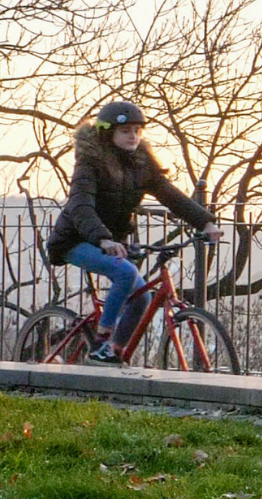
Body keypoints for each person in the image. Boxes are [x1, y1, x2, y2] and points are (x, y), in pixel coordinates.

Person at [45, 101, 222, 364]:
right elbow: (80, 206)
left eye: (137, 130)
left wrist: (205, 222)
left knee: (141, 299)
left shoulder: (141, 165)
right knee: (125, 272)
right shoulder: (90, 164)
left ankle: (113, 353)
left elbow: (171, 196)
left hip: (109, 241)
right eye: (126, 131)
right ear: (108, 133)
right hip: (75, 240)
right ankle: (101, 342)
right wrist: (103, 238)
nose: (133, 136)